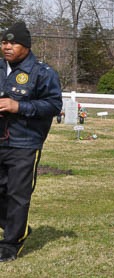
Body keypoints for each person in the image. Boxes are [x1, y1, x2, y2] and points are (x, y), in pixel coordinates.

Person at [0, 21, 62, 262]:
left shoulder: (42, 72)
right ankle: (16, 226)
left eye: (13, 43)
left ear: (26, 46)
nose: (7, 47)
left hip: (24, 142)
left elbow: (53, 105)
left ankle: (11, 243)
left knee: (17, 193)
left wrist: (19, 106)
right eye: (4, 42)